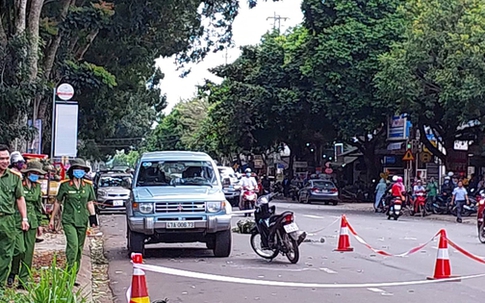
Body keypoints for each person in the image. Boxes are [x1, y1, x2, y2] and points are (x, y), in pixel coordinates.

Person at [49, 158, 98, 284]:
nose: (79, 172)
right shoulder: (65, 185)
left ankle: (72, 276)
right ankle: (68, 275)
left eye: (82, 170)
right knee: (73, 246)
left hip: (82, 220)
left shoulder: (88, 186)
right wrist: (52, 218)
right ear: (72, 171)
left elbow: (90, 202)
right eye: (77, 169)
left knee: (79, 250)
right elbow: (58, 202)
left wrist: (93, 219)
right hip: (69, 220)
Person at [8, 161, 46, 288]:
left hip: (32, 221)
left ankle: (23, 280)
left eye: (37, 173)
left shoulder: (37, 187)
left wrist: (40, 224)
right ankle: (13, 272)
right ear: (27, 173)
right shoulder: (19, 184)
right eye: (33, 173)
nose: (35, 175)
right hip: (17, 220)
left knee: (28, 252)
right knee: (19, 249)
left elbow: (38, 206)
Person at [0, 144, 29, 288]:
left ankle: (1, 285)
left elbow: (20, 198)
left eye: (6, 158)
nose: (5, 161)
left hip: (7, 220)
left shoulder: (14, 177)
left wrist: (24, 218)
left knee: (7, 254)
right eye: (1, 159)